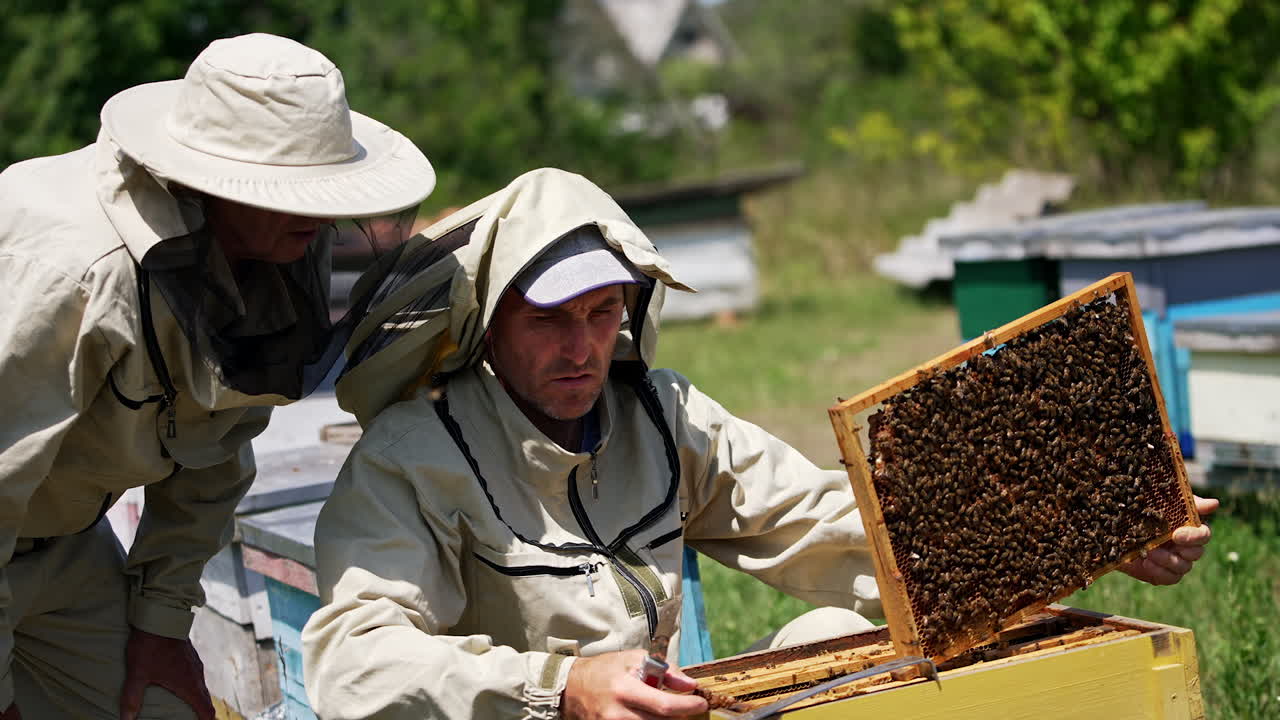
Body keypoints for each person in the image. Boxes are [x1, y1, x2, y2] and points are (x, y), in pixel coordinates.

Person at [300, 168, 1216, 720]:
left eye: (601, 311)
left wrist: (1078, 529)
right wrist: (558, 685)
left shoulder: (660, 415)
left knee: (834, 637)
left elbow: (824, 518)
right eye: (548, 321)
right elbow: (352, 659)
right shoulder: (412, 458)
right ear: (490, 321)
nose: (580, 346)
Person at [0, 33, 435, 720]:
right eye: (297, 189)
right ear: (211, 182)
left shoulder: (275, 242)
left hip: (65, 548)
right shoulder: (76, 272)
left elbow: (218, 439)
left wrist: (160, 623)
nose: (321, 215)